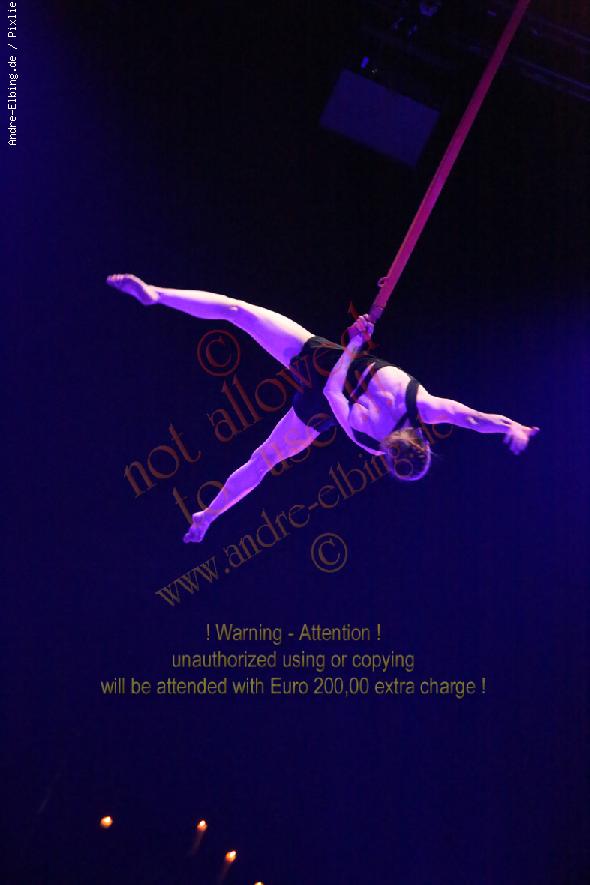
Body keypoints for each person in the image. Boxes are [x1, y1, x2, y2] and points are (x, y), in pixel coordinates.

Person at [106, 274, 539, 542]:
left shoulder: (403, 417)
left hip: (325, 387)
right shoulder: (400, 418)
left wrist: (354, 342)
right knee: (262, 459)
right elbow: (472, 418)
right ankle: (206, 517)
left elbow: (334, 394)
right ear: (397, 455)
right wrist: (510, 427)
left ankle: (156, 295)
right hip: (326, 374)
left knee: (240, 315)